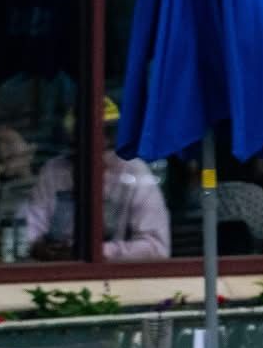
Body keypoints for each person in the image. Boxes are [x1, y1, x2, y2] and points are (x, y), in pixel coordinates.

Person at [18, 98, 169, 261]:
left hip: (114, 277)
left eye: (108, 133)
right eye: (88, 134)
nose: (102, 142)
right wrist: (38, 246)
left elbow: (156, 247)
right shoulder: (55, 171)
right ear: (72, 138)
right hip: (58, 268)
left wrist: (98, 252)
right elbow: (28, 227)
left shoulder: (135, 172)